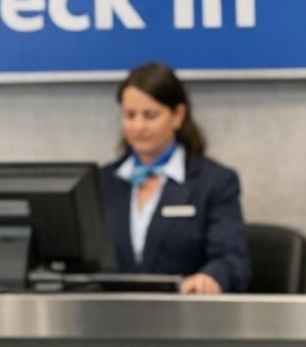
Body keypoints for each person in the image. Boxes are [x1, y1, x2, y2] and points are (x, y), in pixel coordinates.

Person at [98, 61, 251, 294]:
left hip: (187, 319)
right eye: (130, 115)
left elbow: (232, 260)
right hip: (108, 320)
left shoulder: (214, 182)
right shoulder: (102, 182)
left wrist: (210, 278)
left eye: (150, 116)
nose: (138, 126)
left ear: (178, 116)